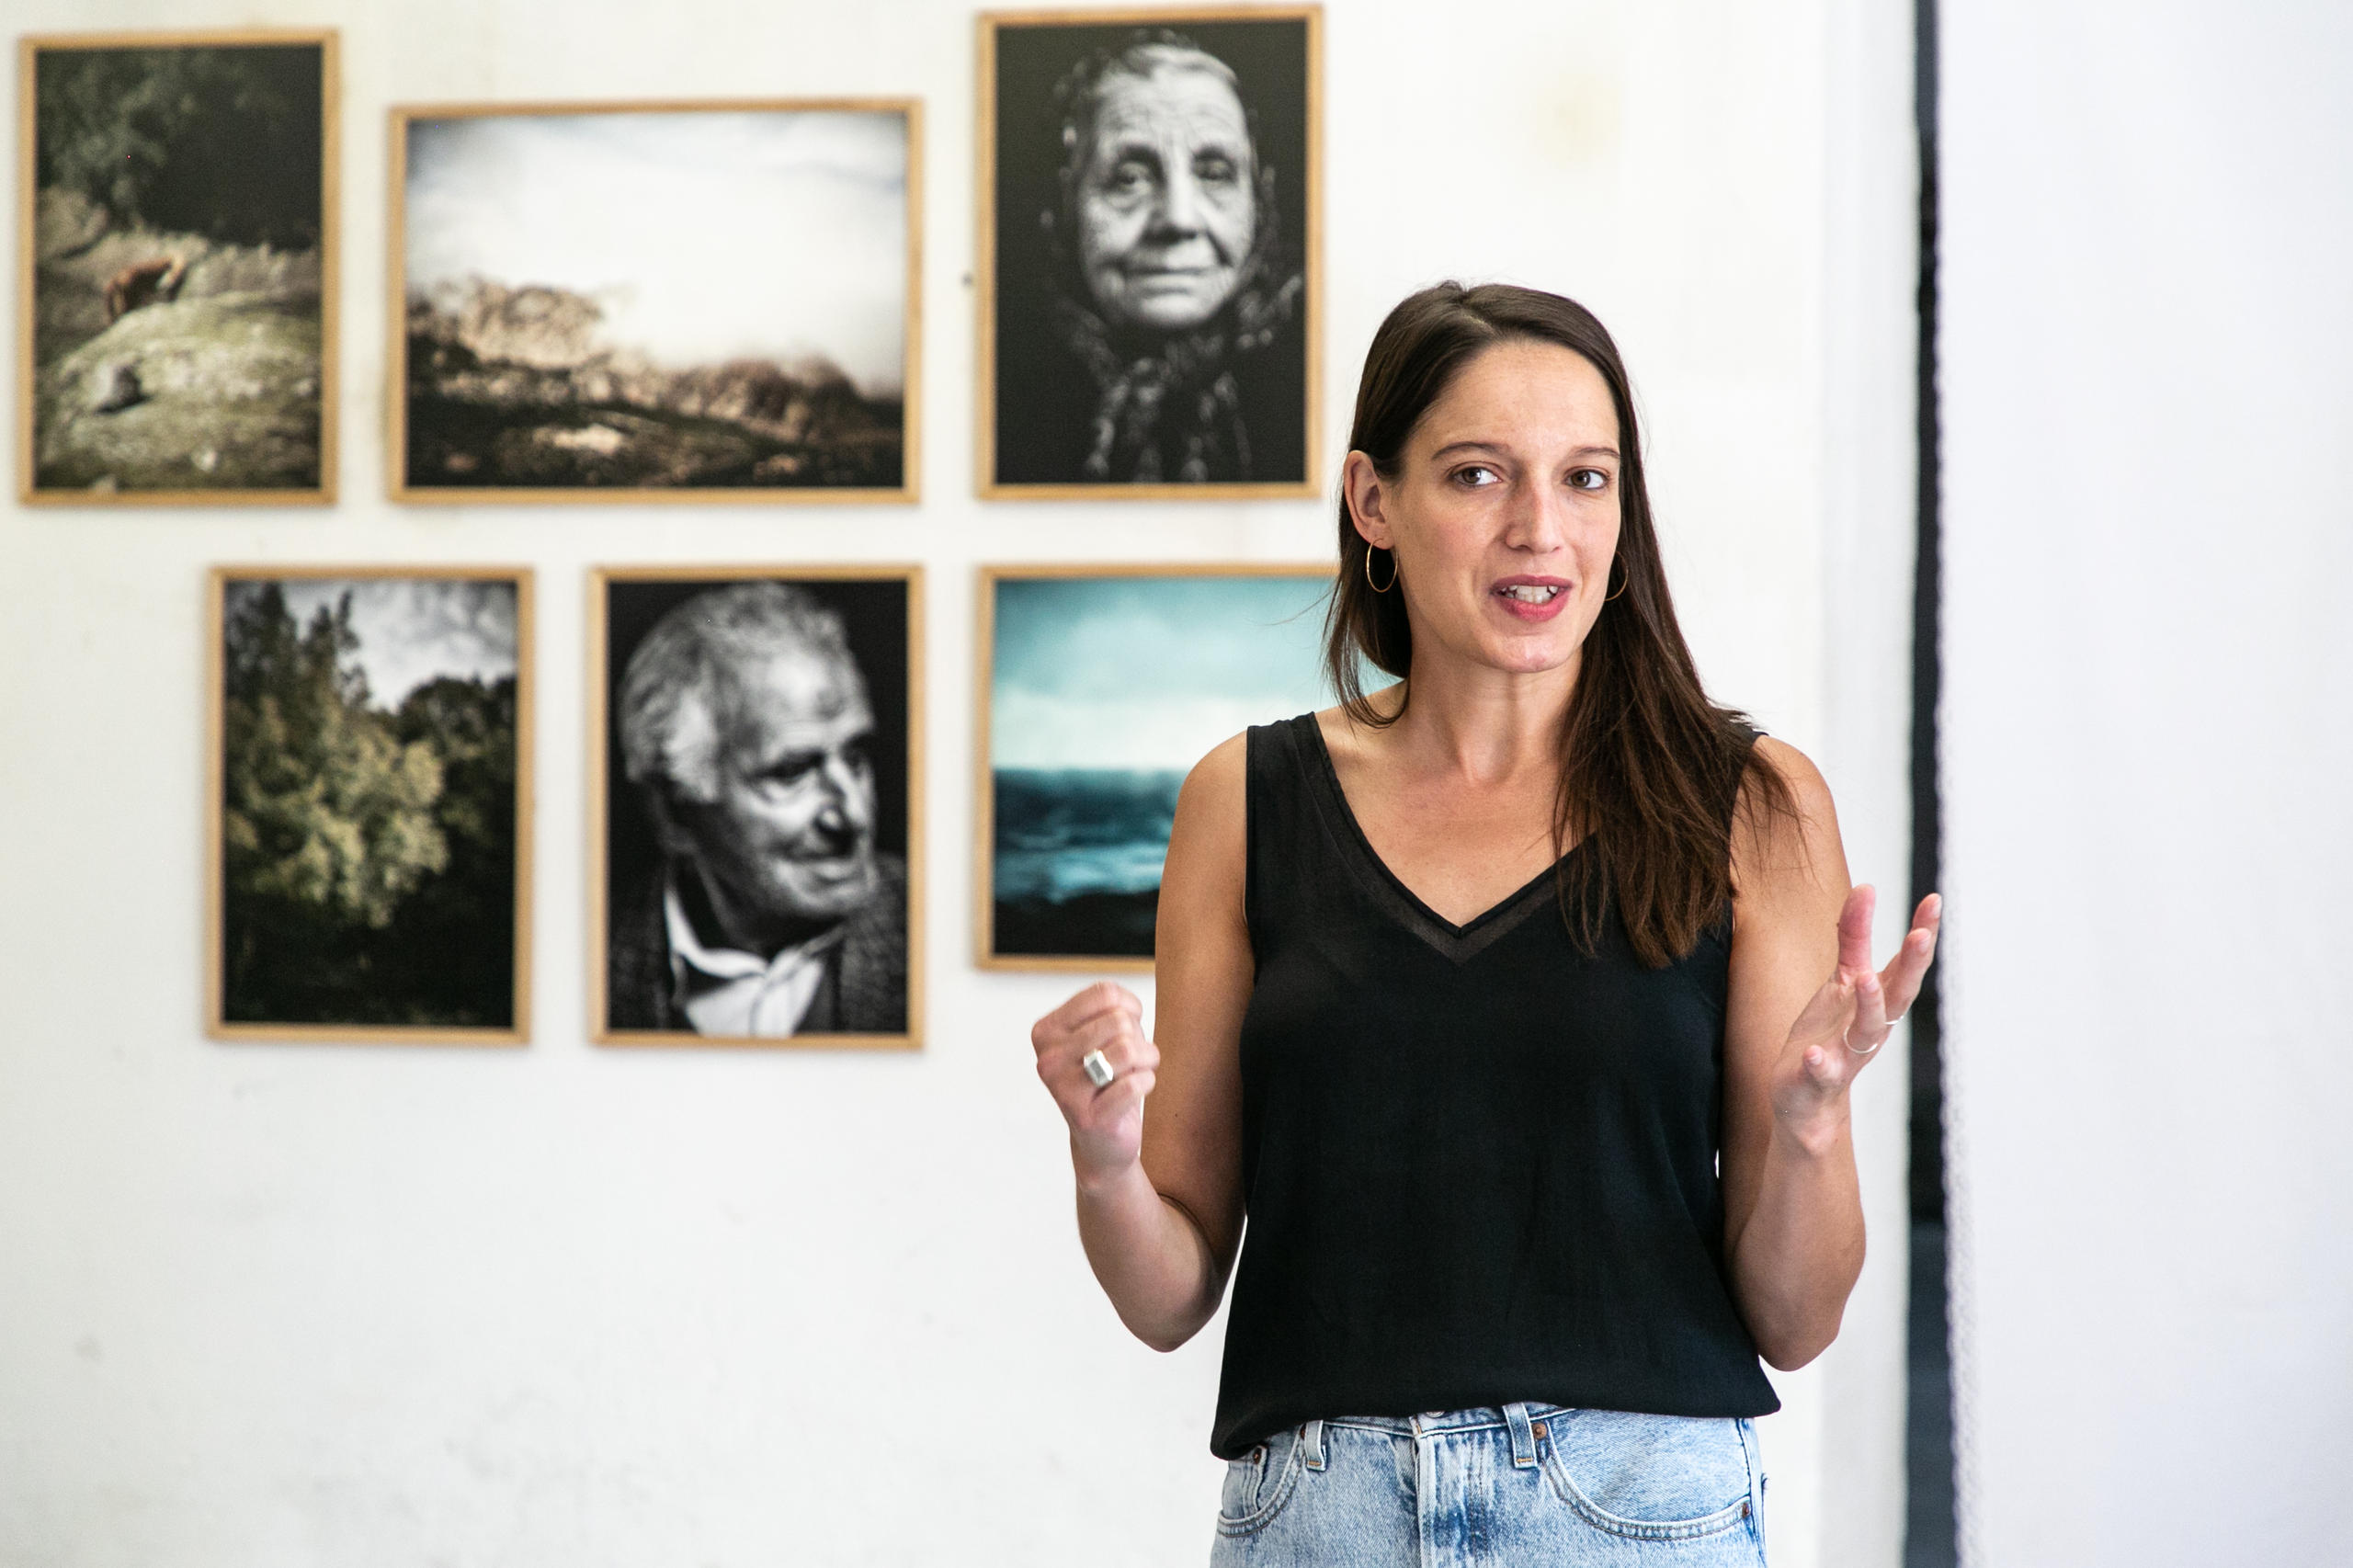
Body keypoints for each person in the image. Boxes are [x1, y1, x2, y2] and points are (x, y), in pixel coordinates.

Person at [1029, 283, 1940, 1562]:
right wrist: (1106, 1164)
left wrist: (1806, 1125)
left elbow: (1796, 1320)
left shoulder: (1750, 803)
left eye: (1585, 478)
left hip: (1635, 1511)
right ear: (1374, 502)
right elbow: (1169, 1292)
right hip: (1320, 1519)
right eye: (1476, 475)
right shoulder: (1241, 803)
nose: (1539, 531)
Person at [995, 30, 1306, 486]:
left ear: (1259, 203)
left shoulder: (1307, 397)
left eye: (1215, 174)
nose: (1178, 220)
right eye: (1129, 179)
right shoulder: (1005, 404)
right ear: (1064, 206)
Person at [608, 582, 905, 1037]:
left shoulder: (932, 932)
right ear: (673, 815)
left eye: (855, 758)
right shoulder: (588, 962)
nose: (854, 816)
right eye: (792, 773)